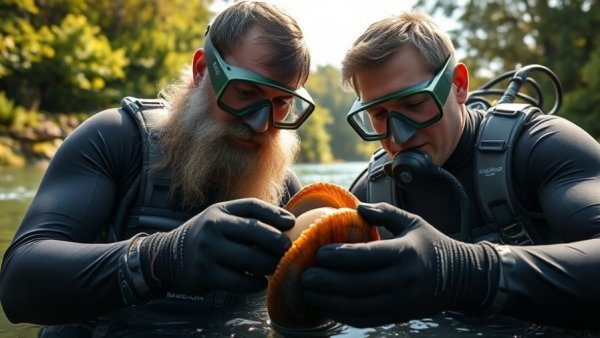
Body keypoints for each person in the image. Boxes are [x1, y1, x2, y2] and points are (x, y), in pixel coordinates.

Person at [0, 1, 315, 335]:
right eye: (246, 92)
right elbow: (19, 284)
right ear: (201, 70)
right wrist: (162, 259)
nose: (261, 123)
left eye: (281, 103)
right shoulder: (115, 141)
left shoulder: (284, 192)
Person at [301, 11, 600, 330]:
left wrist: (467, 272)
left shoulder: (542, 147)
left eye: (415, 104)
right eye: (378, 114)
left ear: (458, 85)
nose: (398, 136)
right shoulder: (374, 192)